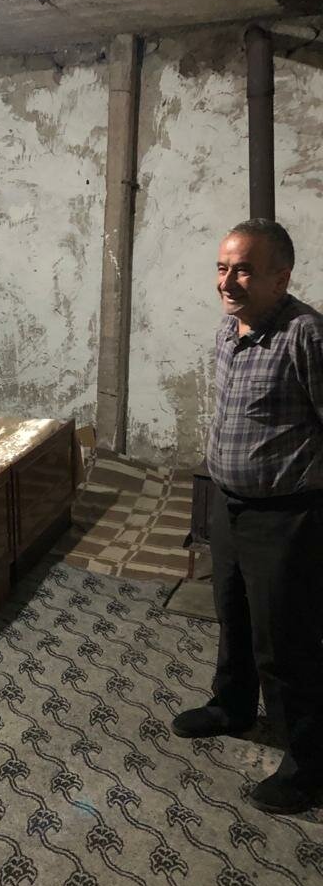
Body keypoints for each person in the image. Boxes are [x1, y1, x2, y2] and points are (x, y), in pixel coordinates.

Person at [172, 218, 323, 815]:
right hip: (228, 506)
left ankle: (308, 763)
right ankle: (231, 706)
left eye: (243, 269)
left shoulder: (305, 335)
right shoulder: (230, 331)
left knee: (283, 641)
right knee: (231, 614)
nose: (227, 281)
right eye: (221, 267)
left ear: (280, 275)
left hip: (285, 515)